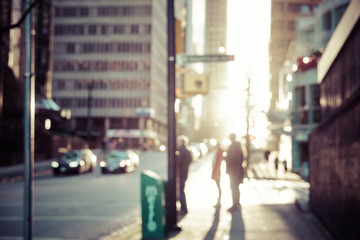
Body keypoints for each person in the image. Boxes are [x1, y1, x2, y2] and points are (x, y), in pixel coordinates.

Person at [225, 133, 244, 212]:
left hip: (234, 170)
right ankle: (237, 203)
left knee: (234, 187)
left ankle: (235, 204)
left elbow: (232, 158)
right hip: (237, 170)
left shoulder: (233, 146)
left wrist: (227, 159)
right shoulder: (238, 146)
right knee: (235, 187)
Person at [176, 135, 192, 215]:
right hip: (185, 173)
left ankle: (183, 209)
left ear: (182, 142)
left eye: (178, 141)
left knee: (181, 191)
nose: (177, 143)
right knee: (181, 190)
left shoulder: (182, 150)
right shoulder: (187, 150)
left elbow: (178, 162)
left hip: (181, 174)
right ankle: (183, 208)